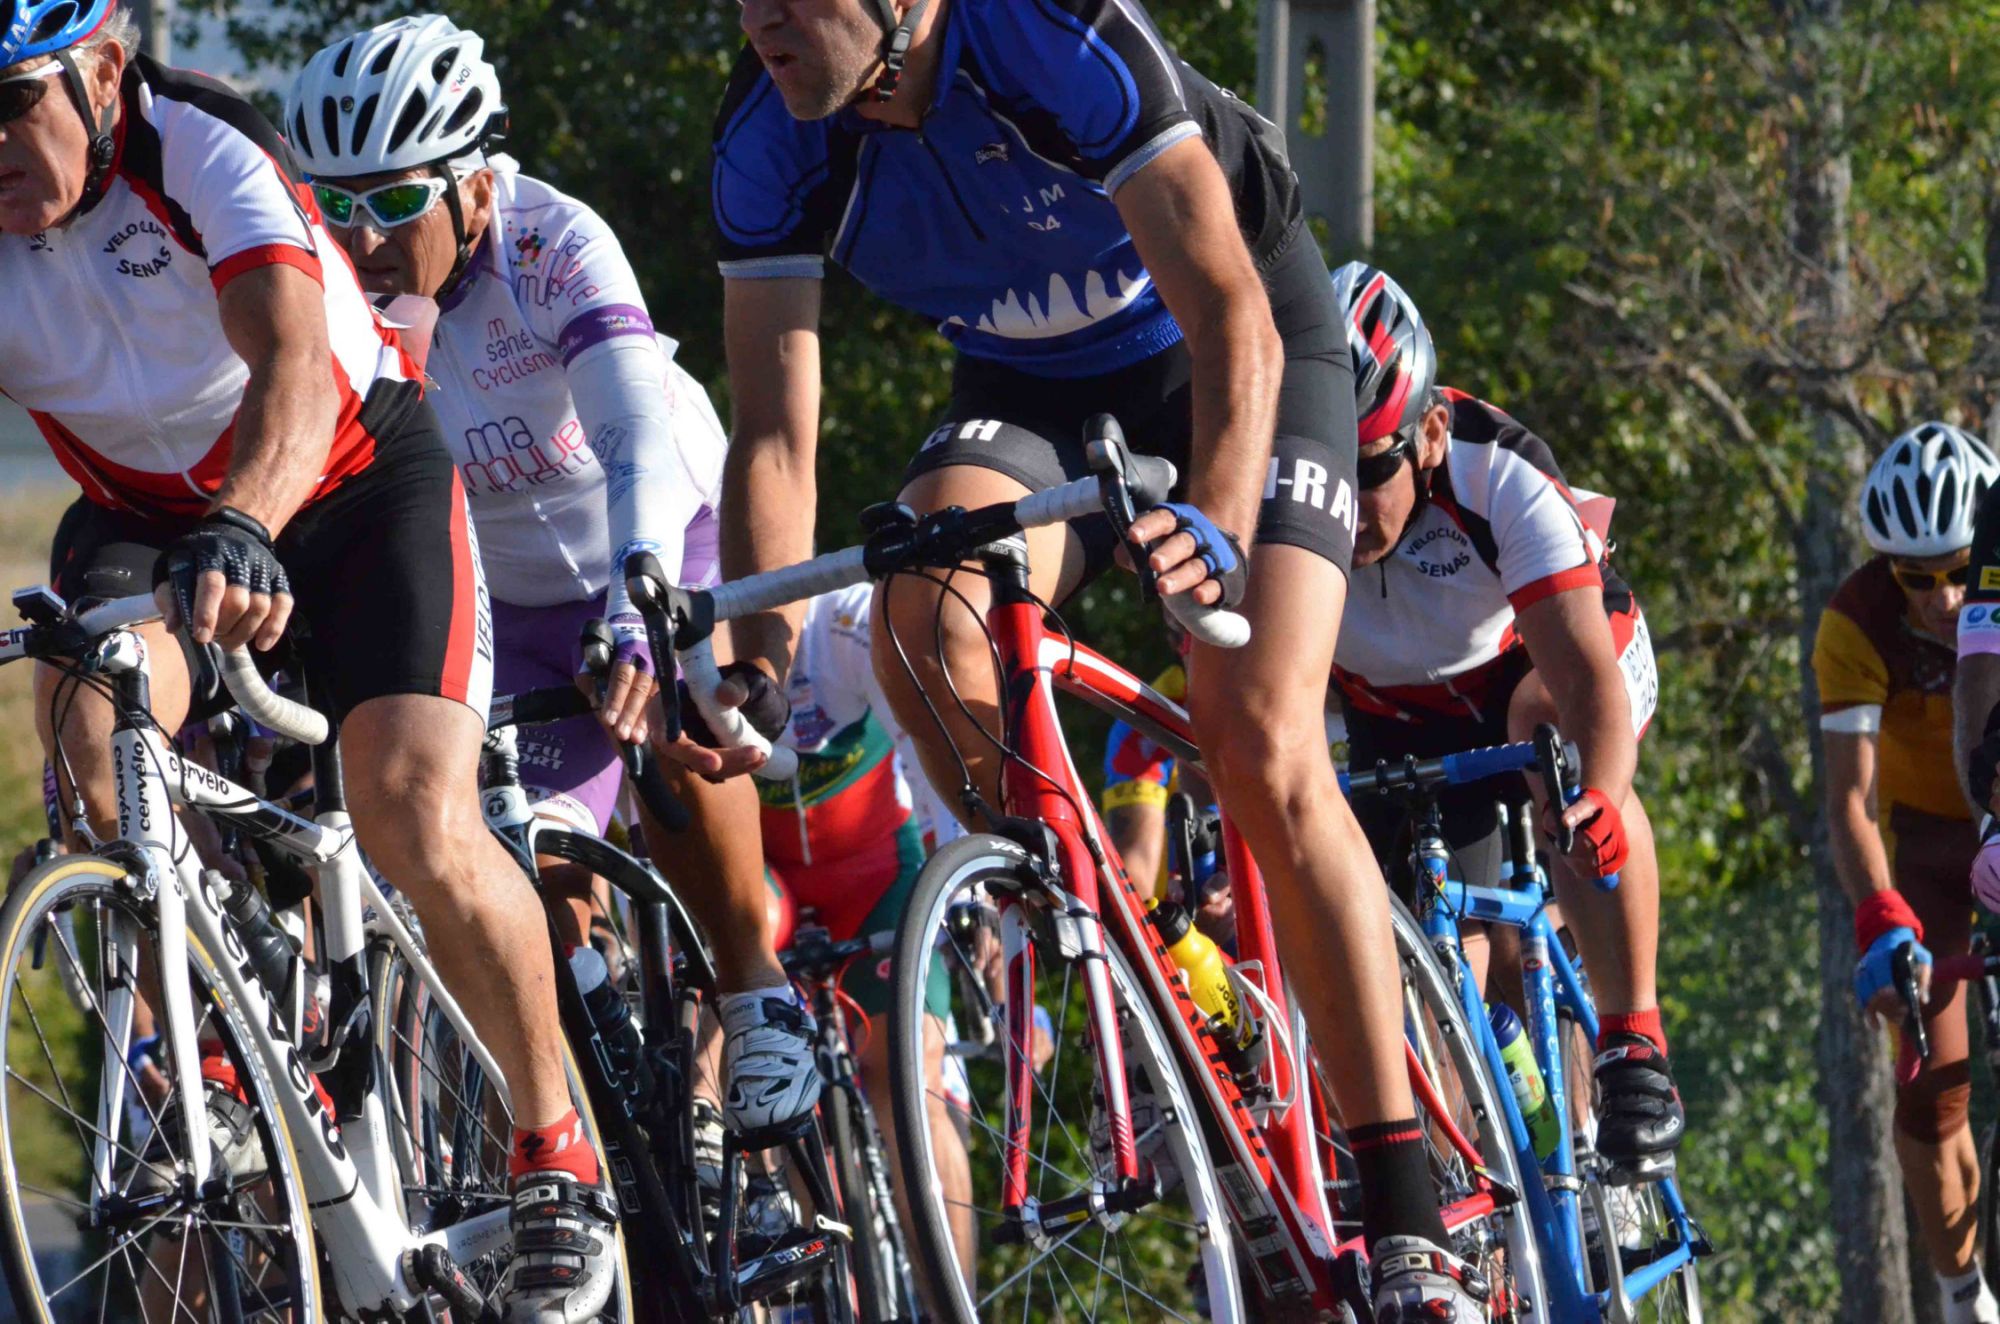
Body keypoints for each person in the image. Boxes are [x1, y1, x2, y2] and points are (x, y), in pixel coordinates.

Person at [711, 1, 1479, 1315]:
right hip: (1029, 393)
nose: (761, 19)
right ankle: (1117, 942)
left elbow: (1230, 311)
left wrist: (1218, 526)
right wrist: (760, 665)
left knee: (1258, 738)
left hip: (1240, 343)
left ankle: (1410, 1222)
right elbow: (775, 441)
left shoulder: (1038, 35)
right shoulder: (765, 138)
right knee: (917, 617)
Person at [0, 4, 610, 1319]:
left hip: (349, 476)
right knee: (90, 739)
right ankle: (225, 1025)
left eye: (9, 101)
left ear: (100, 71)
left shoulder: (197, 142)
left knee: (411, 808)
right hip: (142, 516)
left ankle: (554, 1148)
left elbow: (293, 362)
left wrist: (246, 524)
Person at [283, 20, 826, 1213]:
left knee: (678, 719)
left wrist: (638, 601)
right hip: (508, 592)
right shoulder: (330, 280)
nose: (361, 239)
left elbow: (633, 431)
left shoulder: (551, 241)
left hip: (655, 524)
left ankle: (752, 989)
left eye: (395, 201)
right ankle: (600, 1134)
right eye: (333, 204)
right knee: (521, 864)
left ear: (476, 186)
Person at [1326, 263, 1684, 1181]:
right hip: (1394, 709)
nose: (1343, 504)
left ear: (1430, 434)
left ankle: (1633, 1043)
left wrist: (1602, 798)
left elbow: (1587, 683)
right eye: (1323, 469)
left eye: (1368, 470)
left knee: (1550, 736)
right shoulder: (1278, 490)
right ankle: (1466, 1178)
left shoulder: (1499, 475)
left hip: (1537, 665)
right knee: (1423, 950)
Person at [757, 583, 971, 1292]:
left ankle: (952, 1304)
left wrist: (962, 878)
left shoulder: (843, 618)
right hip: (773, 883)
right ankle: (832, 1294)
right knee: (783, 1095)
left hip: (878, 874)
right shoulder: (700, 628)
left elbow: (926, 738)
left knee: (907, 1076)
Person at [1839, 423, 1999, 1324]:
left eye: (1961, 570)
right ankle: (1963, 1298)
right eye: (1916, 577)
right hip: (1930, 854)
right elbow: (1849, 801)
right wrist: (1882, 918)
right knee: (1934, 1098)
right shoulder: (1857, 621)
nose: (1943, 598)